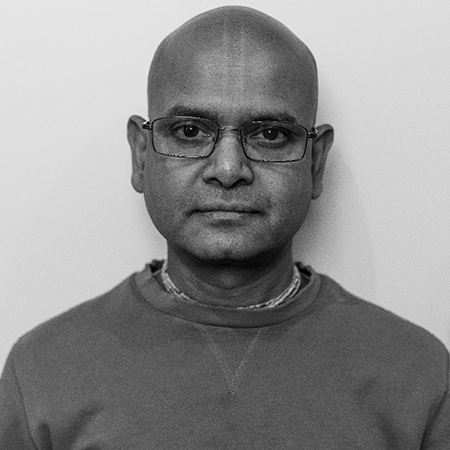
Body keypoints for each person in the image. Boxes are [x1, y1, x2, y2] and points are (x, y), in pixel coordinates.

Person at [1, 5, 449, 449]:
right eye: (189, 131)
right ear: (141, 155)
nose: (229, 169)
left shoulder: (418, 374)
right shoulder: (42, 372)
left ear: (315, 163)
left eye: (270, 134)